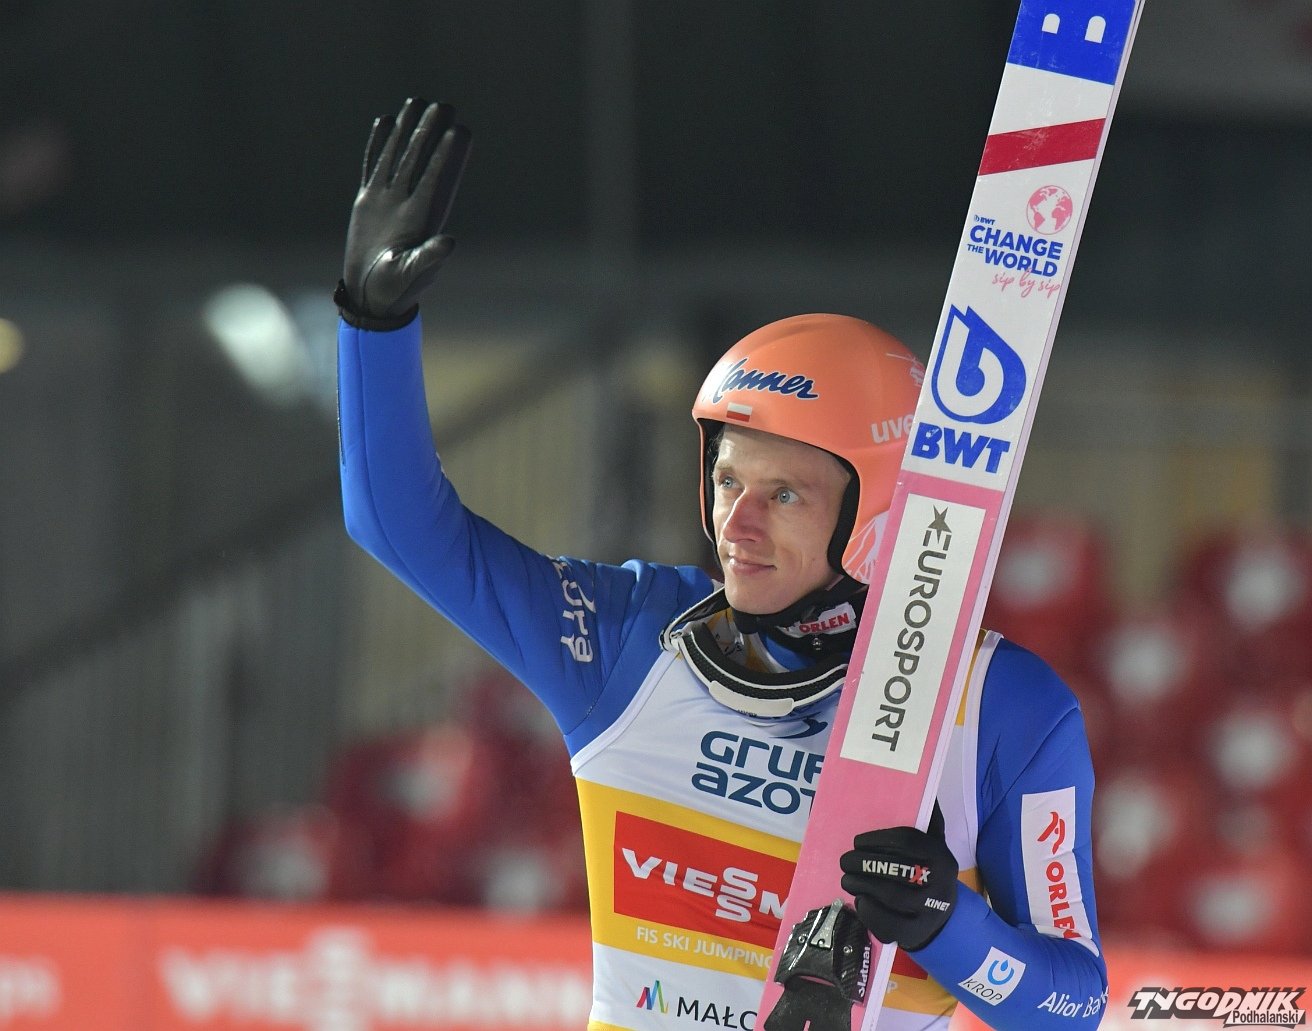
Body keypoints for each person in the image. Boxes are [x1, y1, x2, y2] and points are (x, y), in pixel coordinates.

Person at [336, 98, 1107, 1031]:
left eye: (785, 495)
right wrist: (373, 324)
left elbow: (1073, 1005)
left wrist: (954, 930)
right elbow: (400, 528)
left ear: (877, 511)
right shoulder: (629, 637)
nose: (736, 523)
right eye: (728, 480)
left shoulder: (1000, 706)